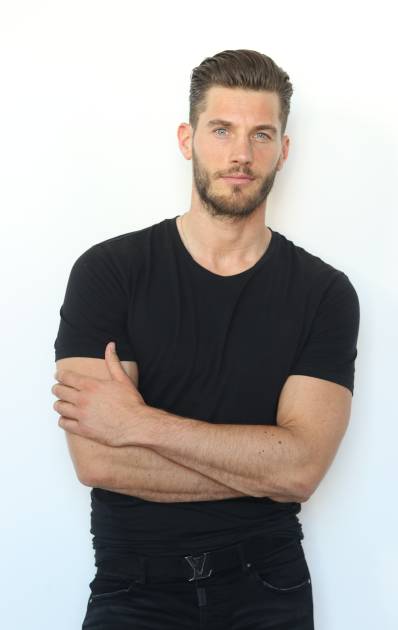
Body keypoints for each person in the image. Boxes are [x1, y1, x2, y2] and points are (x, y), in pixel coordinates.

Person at [52, 48, 360, 629]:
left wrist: (139, 424)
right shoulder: (109, 272)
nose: (241, 154)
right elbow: (98, 459)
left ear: (283, 150)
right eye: (221, 130)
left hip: (268, 584)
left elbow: (301, 470)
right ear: (187, 139)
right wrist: (261, 468)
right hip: (133, 585)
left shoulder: (324, 293)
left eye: (261, 135)